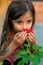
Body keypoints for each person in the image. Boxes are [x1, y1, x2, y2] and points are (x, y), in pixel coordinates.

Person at [0, 0, 38, 65]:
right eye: (19, 22)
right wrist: (14, 44)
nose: (25, 27)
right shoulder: (8, 33)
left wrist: (33, 42)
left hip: (23, 61)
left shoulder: (31, 31)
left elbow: (36, 54)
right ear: (10, 21)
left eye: (29, 21)